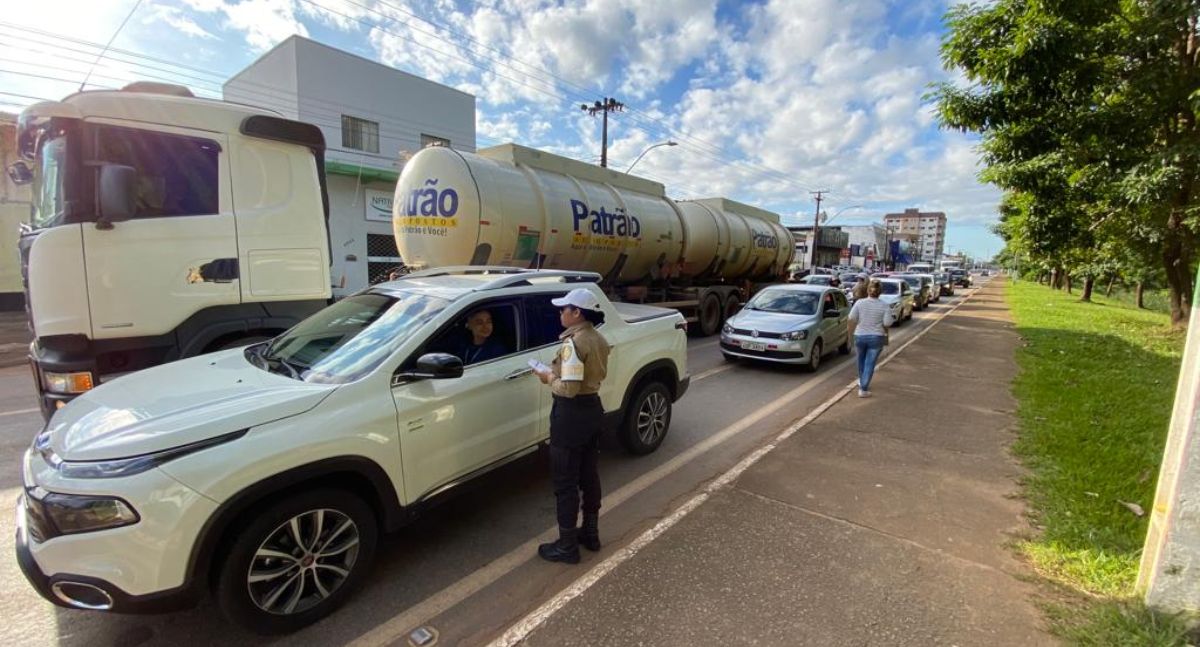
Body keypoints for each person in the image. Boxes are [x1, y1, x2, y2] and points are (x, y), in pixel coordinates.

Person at [531, 288, 610, 564]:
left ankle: (567, 546)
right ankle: (590, 533)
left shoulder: (573, 344)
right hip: (592, 411)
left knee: (565, 482)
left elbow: (569, 389)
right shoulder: (598, 338)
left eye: (564, 308)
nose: (560, 312)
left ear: (577, 313)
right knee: (589, 474)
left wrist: (547, 377)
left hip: (571, 415)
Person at [847, 279, 895, 398]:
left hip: (860, 335)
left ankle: (861, 381)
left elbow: (851, 318)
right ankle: (863, 388)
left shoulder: (859, 303)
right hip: (876, 337)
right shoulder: (884, 305)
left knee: (861, 361)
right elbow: (888, 323)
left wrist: (859, 324)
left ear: (868, 290)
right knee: (870, 363)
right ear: (880, 292)